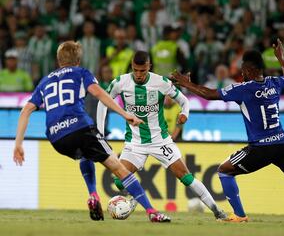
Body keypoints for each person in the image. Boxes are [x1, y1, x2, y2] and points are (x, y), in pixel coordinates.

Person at [169, 39, 284, 223]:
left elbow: (209, 94)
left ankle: (240, 215)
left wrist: (186, 84)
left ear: (251, 70)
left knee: (224, 171)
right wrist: (281, 58)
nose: (241, 73)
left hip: (261, 147)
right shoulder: (274, 83)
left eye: (243, 70)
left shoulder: (243, 89)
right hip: (283, 143)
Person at [13, 41, 170, 223]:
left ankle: (93, 194)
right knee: (119, 168)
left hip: (57, 138)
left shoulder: (45, 81)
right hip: (80, 128)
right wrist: (125, 114)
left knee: (84, 155)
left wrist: (18, 144)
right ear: (78, 60)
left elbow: (25, 111)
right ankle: (152, 211)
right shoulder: (81, 73)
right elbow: (100, 94)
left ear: (58, 60)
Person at [95, 51, 226, 220]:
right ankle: (136, 198)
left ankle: (217, 211)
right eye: (136, 70)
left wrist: (184, 113)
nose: (139, 74)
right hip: (135, 142)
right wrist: (100, 131)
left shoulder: (161, 83)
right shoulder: (120, 83)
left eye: (143, 70)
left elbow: (184, 101)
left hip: (160, 141)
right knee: (119, 181)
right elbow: (103, 101)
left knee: (186, 177)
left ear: (149, 66)